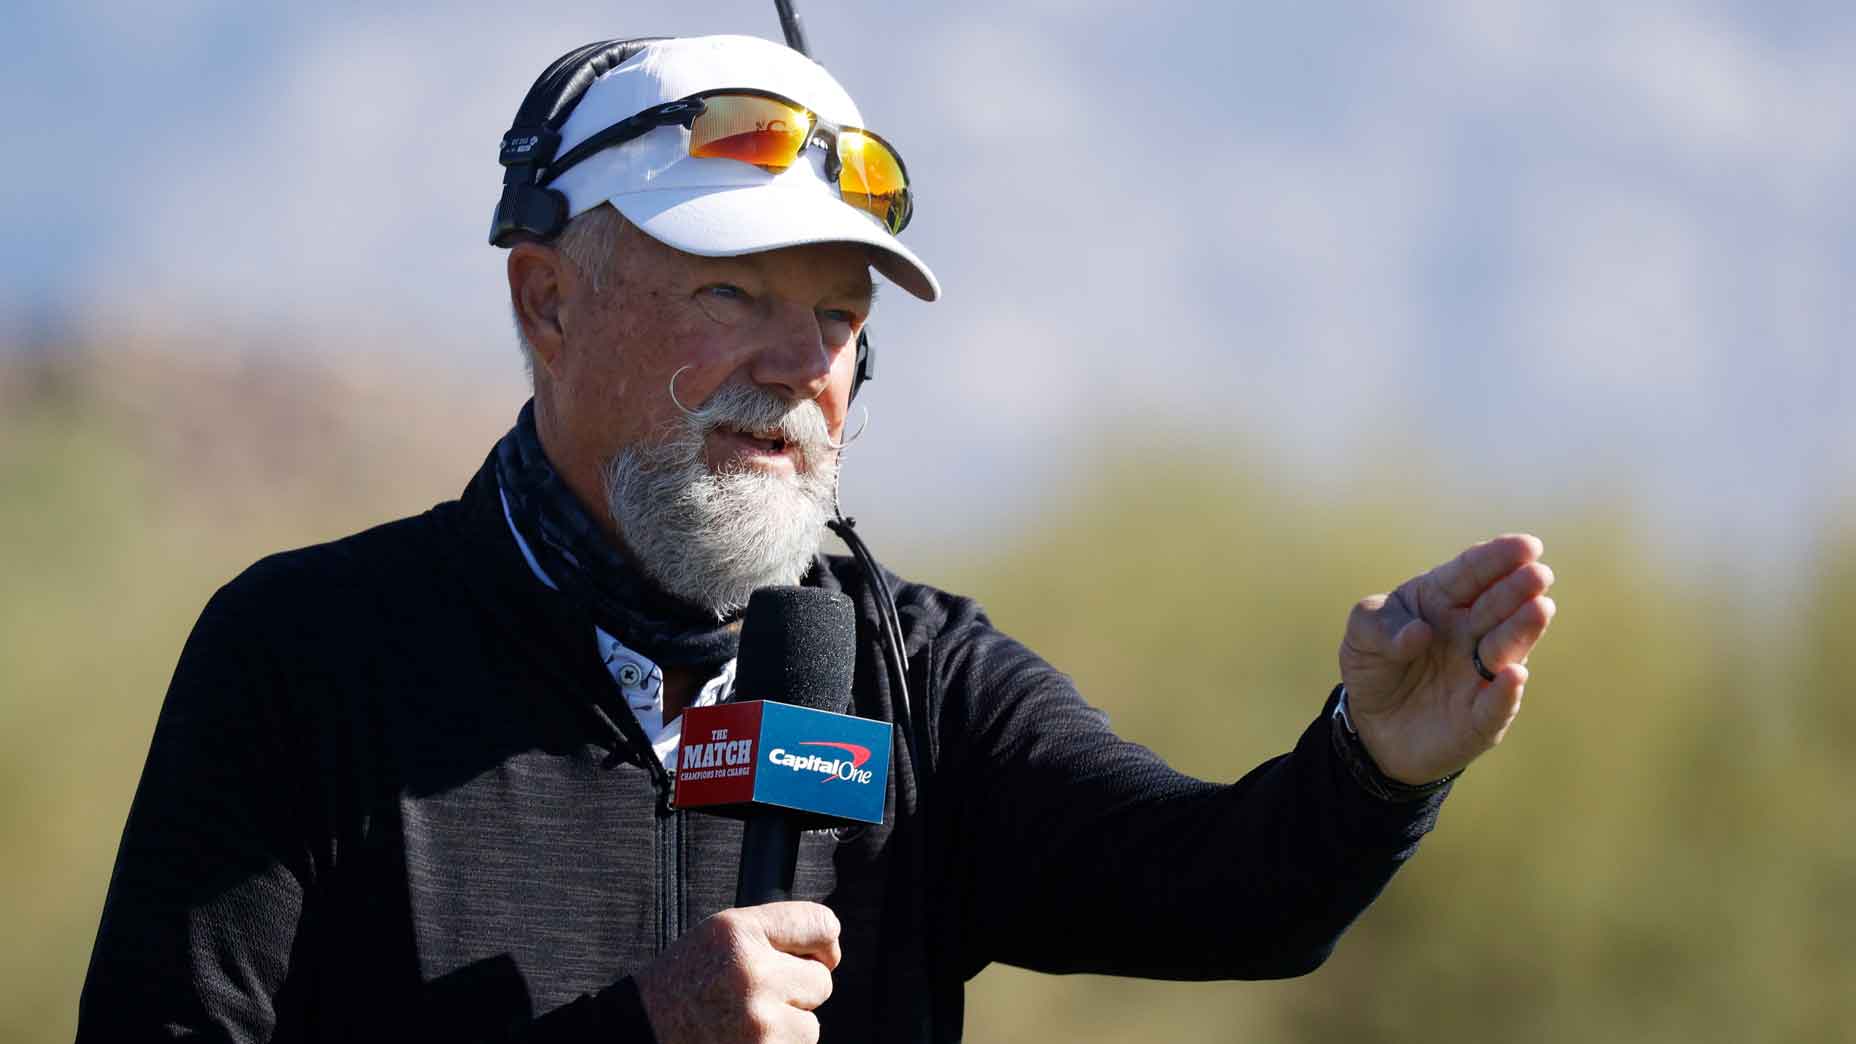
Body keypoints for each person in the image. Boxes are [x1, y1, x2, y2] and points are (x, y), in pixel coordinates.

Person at [77, 33, 1556, 1044]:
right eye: (731, 294)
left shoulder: (910, 673)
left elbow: (1229, 888)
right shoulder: (307, 656)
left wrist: (1373, 765)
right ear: (547, 301)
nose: (800, 363)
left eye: (840, 316)